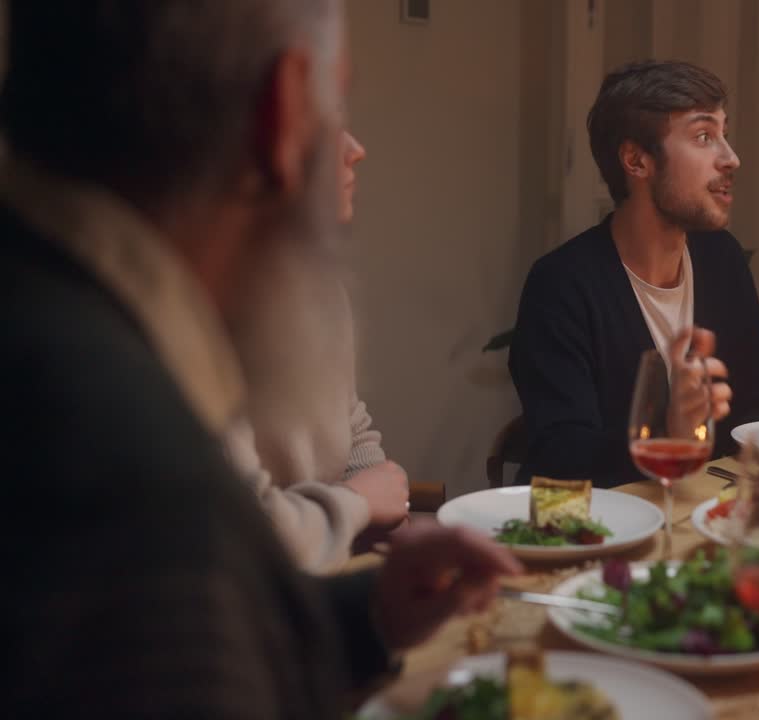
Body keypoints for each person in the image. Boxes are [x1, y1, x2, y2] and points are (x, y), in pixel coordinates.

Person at [0, 1, 520, 715]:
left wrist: (365, 614)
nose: (357, 147)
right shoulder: (134, 466)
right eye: (335, 104)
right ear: (280, 115)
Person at [509, 60, 759, 487]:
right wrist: (666, 432)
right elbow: (560, 457)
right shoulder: (561, 285)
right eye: (703, 137)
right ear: (637, 160)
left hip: (701, 518)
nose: (731, 158)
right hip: (599, 535)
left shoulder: (721, 260)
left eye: (724, 135)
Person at [227, 129, 411, 573]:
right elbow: (244, 536)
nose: (356, 149)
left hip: (325, 565)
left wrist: (387, 518)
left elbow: (349, 423)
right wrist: (360, 502)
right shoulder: (209, 306)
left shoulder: (318, 284)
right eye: (325, 122)